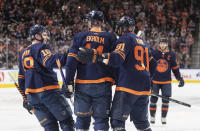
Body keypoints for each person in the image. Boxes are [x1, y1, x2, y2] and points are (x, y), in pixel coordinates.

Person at [77, 16, 157, 131]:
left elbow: (117, 58)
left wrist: (97, 56)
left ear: (122, 28)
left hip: (127, 87)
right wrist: (147, 81)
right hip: (144, 88)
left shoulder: (124, 39)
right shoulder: (143, 43)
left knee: (117, 122)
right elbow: (153, 65)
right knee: (141, 122)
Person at [65, 10, 117, 131]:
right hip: (103, 83)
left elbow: (71, 62)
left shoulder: (80, 36)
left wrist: (68, 82)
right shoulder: (110, 37)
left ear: (89, 22)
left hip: (83, 84)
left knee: (82, 118)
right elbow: (117, 61)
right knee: (101, 119)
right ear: (101, 22)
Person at [18, 24, 74, 131]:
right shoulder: (41, 47)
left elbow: (21, 79)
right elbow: (50, 62)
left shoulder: (23, 53)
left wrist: (25, 98)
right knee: (66, 121)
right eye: (44, 34)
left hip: (32, 97)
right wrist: (69, 57)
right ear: (37, 36)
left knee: (50, 126)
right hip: (48, 92)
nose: (47, 37)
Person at [149, 38, 184, 124]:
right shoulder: (154, 53)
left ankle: (163, 117)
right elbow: (149, 66)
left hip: (166, 82)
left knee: (166, 101)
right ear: (159, 44)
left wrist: (179, 78)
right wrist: (148, 78)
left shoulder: (172, 54)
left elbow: (175, 68)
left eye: (164, 43)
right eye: (161, 43)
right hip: (155, 81)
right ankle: (152, 116)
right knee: (153, 100)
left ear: (167, 44)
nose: (162, 45)